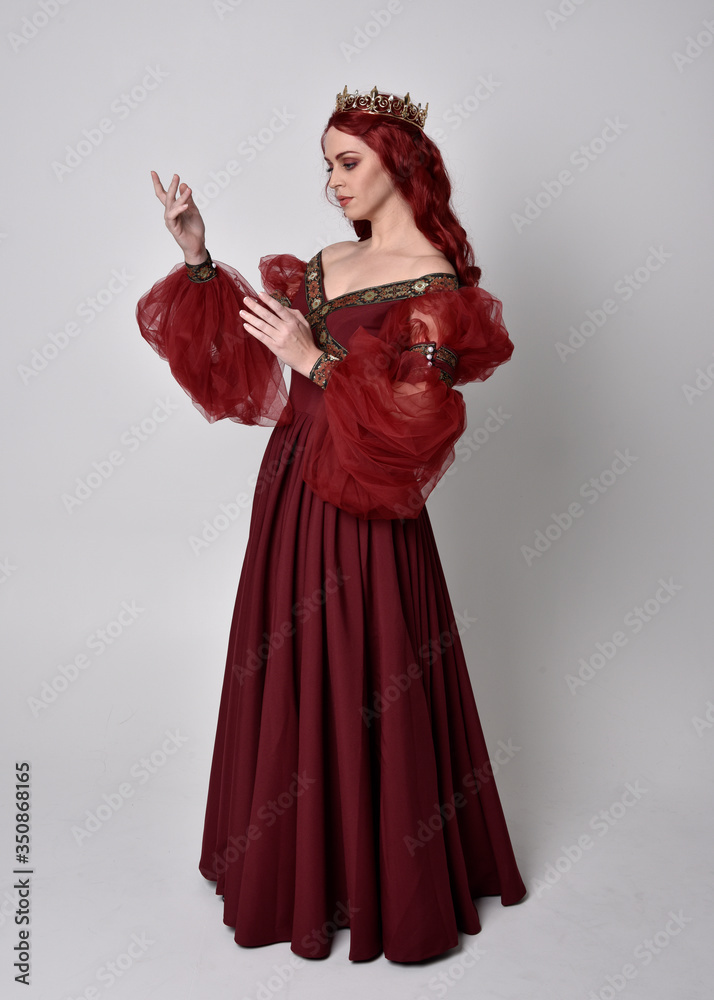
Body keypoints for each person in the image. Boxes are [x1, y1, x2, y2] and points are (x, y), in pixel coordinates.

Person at [136, 85, 527, 964]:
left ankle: (377, 878)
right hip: (290, 490)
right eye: (326, 165)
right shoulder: (322, 264)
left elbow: (417, 420)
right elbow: (249, 366)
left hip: (367, 502)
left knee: (370, 665)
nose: (332, 181)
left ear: (401, 164)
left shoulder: (436, 285)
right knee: (291, 664)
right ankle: (290, 862)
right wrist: (201, 260)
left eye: (348, 162)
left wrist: (315, 356)